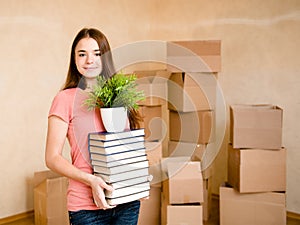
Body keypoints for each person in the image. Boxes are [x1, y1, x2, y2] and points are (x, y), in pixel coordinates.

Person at [45, 28, 142, 225]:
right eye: (82, 54)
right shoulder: (65, 99)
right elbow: (52, 158)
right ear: (74, 59)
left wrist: (138, 178)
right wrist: (91, 180)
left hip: (126, 201)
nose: (90, 60)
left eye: (97, 53)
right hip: (86, 207)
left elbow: (126, 146)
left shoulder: (120, 96)